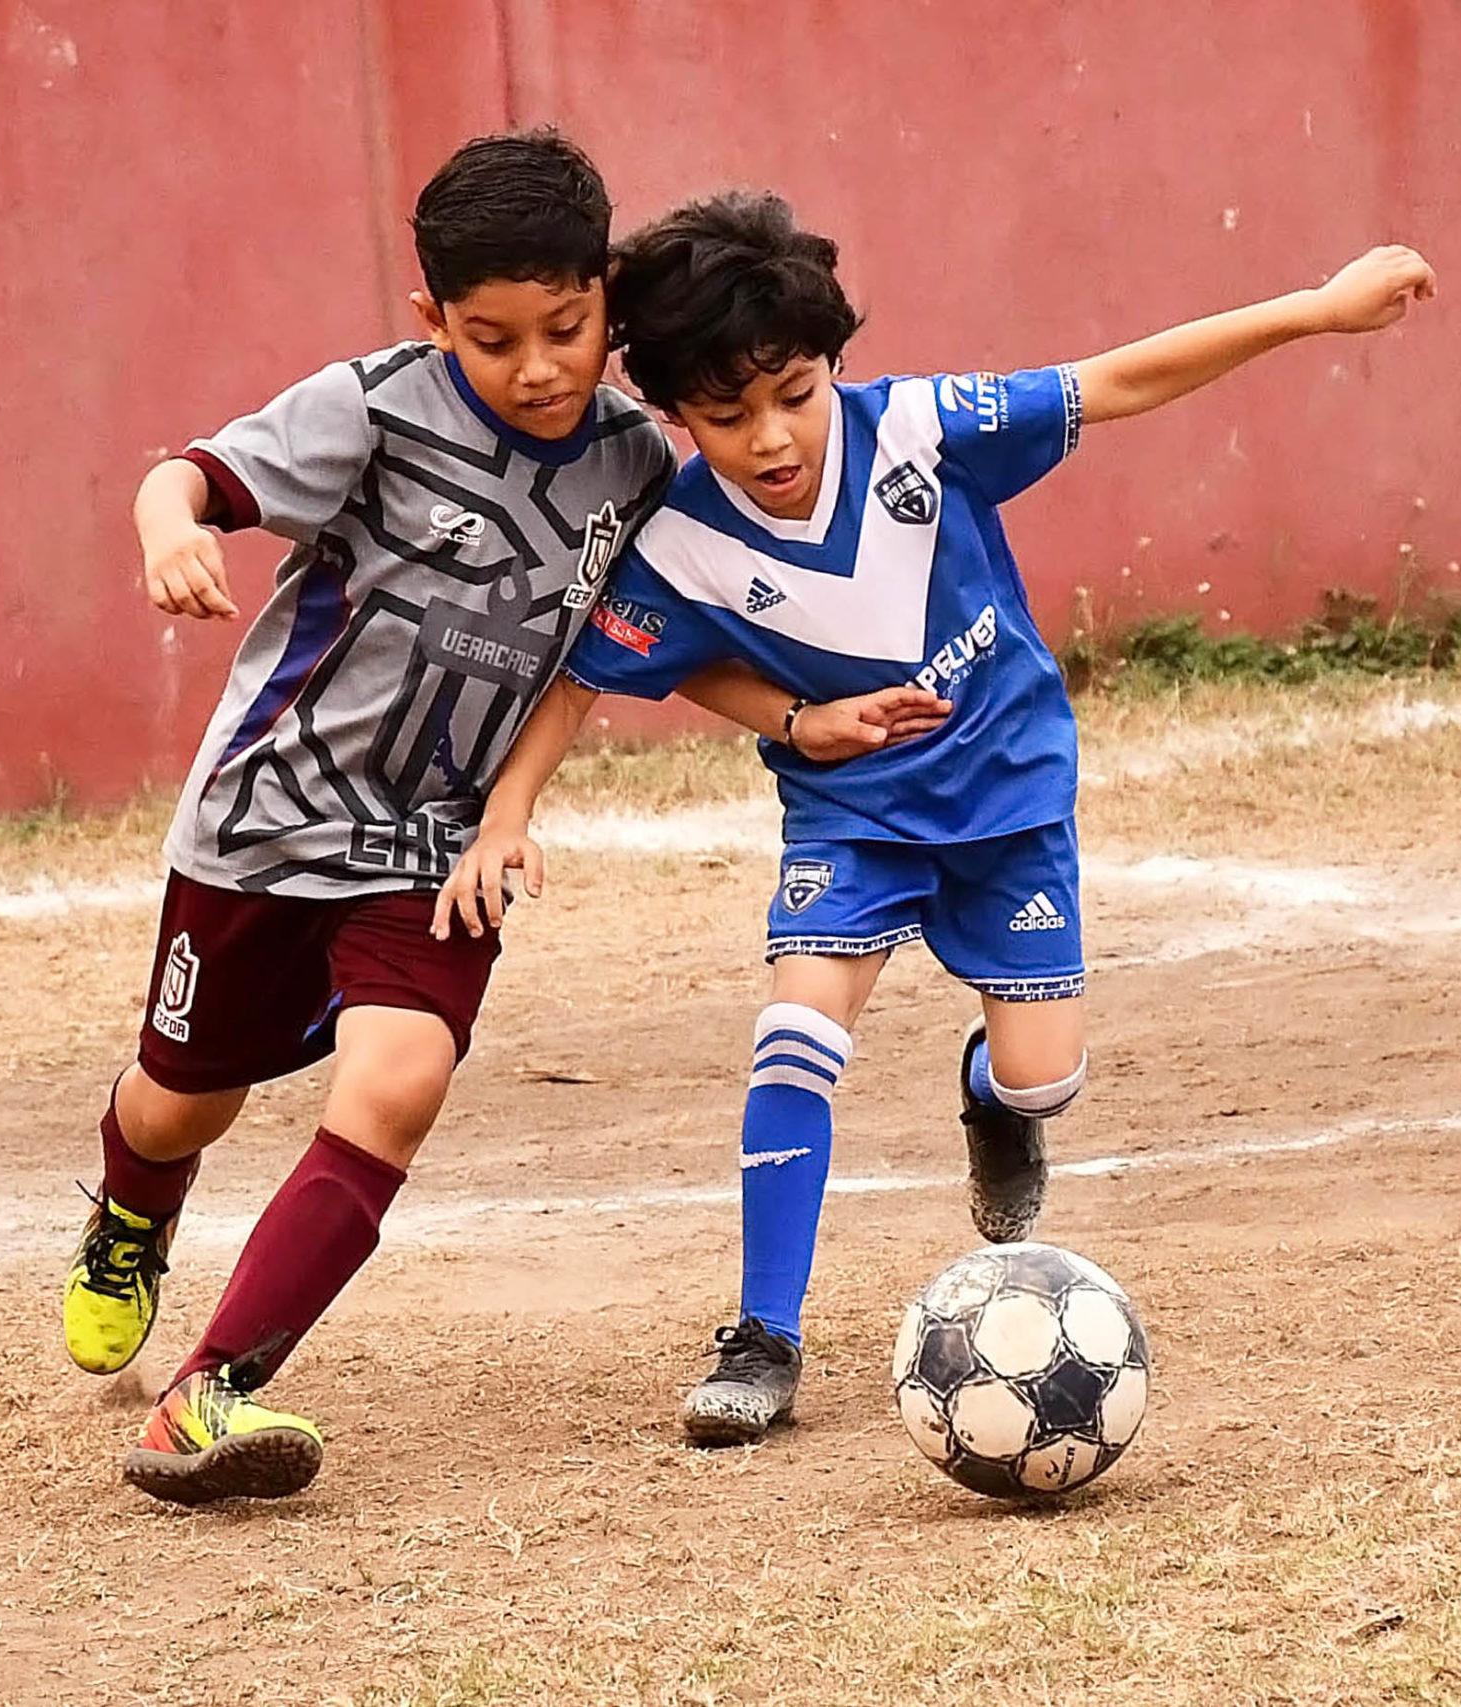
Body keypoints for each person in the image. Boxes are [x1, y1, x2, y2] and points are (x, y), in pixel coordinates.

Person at [437, 191, 1435, 1442]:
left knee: (1045, 1074)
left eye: (792, 395)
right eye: (727, 416)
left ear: (831, 364)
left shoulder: (921, 428)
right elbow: (609, 668)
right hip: (849, 823)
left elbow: (1115, 381)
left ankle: (993, 1105)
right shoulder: (679, 540)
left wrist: (1316, 311)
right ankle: (764, 1338)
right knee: (792, 1038)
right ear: (673, 413)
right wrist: (541, 800)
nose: (770, 439)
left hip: (1009, 804)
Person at [62, 131, 939, 1505]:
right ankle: (131, 1210)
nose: (537, 365)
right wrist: (166, 531)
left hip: (438, 844)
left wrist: (790, 716)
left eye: (568, 329)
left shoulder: (636, 466)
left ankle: (207, 1391)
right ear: (433, 320)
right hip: (263, 827)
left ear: (606, 301)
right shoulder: (369, 409)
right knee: (182, 1102)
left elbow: (628, 646)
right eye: (492, 337)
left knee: (397, 1083)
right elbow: (189, 478)